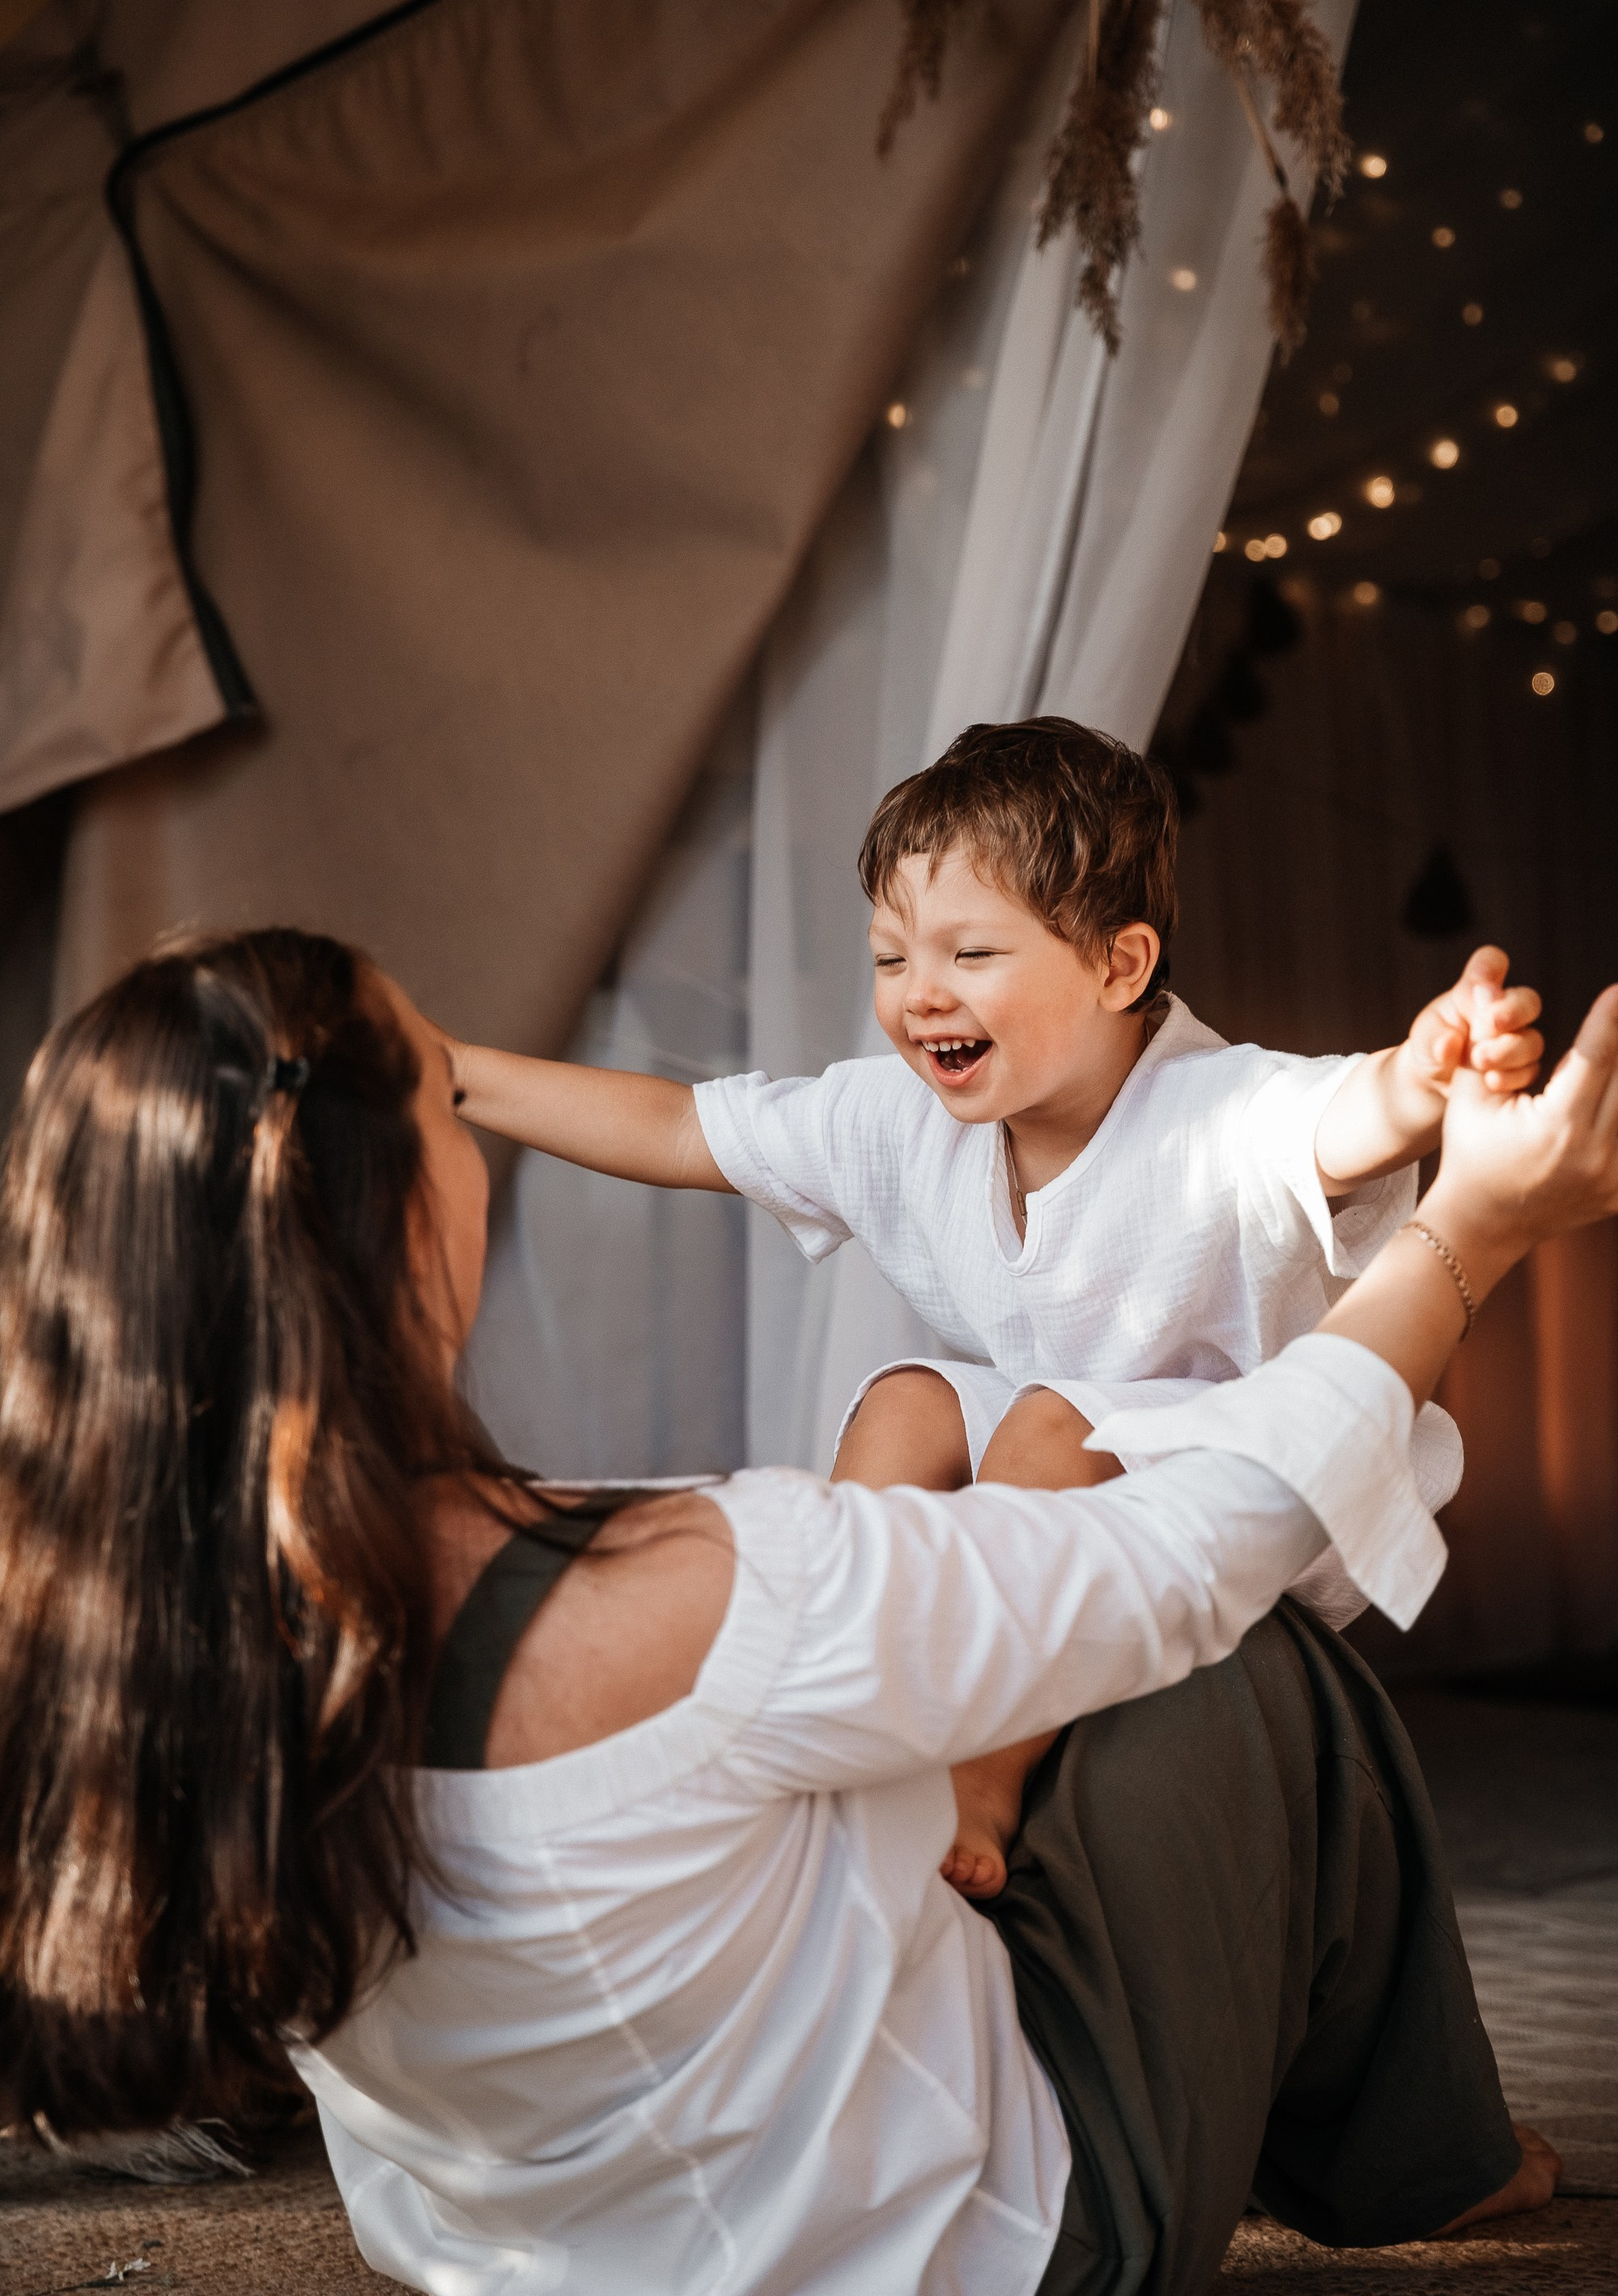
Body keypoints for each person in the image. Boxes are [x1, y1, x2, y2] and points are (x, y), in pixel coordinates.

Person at [0, 924, 1604, 2296]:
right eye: (450, 1106)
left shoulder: (113, 1630)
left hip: (517, 2257)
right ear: (393, 1211)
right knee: (1246, 1661)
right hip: (963, 2253)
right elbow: (1214, 1539)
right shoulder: (709, 1589)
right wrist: (1471, 1234)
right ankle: (1429, 2161)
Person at [446, 718, 1545, 1889]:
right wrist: (446, 1068)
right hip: (1075, 1444)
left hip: (1255, 1482)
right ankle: (828, 1685)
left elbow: (1342, 1115)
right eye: (889, 959)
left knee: (1045, 1422)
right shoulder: (895, 1120)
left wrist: (1426, 1074)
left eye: (971, 957)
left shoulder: (1216, 1108)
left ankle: (983, 1779)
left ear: (1121, 967)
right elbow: (677, 1128)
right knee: (915, 1400)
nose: (921, 998)